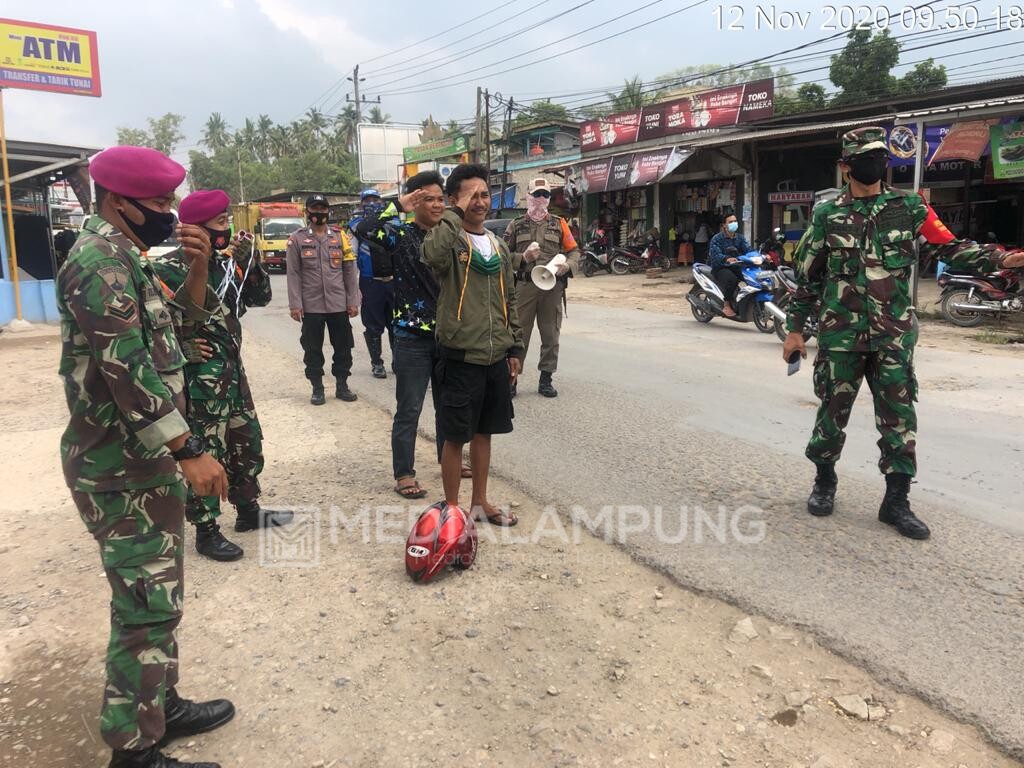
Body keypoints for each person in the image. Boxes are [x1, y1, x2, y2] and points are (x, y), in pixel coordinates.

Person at [56, 145, 234, 768]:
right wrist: (187, 450)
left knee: (158, 598)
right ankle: (133, 750)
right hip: (119, 464)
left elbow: (176, 335)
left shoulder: (126, 255)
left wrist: (197, 271)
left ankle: (162, 706)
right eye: (157, 203)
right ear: (116, 201)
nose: (168, 213)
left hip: (139, 459)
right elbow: (126, 370)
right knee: (143, 607)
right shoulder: (100, 263)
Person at [783, 126, 1024, 539]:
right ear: (846, 166)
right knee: (831, 411)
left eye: (879, 156)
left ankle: (896, 501)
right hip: (841, 333)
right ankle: (824, 482)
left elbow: (950, 247)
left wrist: (1002, 259)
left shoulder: (910, 207)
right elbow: (808, 276)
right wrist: (794, 331)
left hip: (893, 334)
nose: (874, 163)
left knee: (899, 418)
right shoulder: (827, 215)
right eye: (864, 157)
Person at [151, 189, 291, 562]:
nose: (227, 229)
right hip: (197, 381)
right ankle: (206, 529)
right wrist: (182, 347)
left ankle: (248, 511)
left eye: (227, 221)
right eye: (221, 223)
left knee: (246, 441)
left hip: (232, 371)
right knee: (208, 449)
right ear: (197, 229)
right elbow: (156, 328)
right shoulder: (166, 269)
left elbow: (258, 299)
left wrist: (254, 263)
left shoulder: (227, 265)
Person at [354, 171, 470, 498]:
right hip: (411, 338)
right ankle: (404, 472)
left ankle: (448, 460)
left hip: (449, 336)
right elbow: (361, 228)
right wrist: (397, 205)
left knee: (449, 406)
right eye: (426, 198)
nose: (435, 205)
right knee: (409, 408)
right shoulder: (400, 234)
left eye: (439, 199)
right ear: (415, 201)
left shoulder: (453, 236)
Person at [422, 164, 524, 526]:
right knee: (455, 437)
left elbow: (509, 297)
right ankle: (452, 512)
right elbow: (430, 257)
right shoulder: (448, 241)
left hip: (494, 357)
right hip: (461, 355)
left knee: (484, 433)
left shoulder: (496, 245)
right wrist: (453, 213)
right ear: (454, 200)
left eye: (484, 194)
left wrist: (515, 348)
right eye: (471, 195)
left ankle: (479, 502)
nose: (480, 202)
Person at [505, 178, 580, 398]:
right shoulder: (516, 224)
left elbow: (574, 251)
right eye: (536, 194)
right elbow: (501, 256)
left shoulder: (559, 223)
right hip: (525, 285)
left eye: (545, 195)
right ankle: (512, 379)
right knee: (518, 336)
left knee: (551, 334)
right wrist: (522, 257)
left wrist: (568, 265)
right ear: (528, 196)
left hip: (551, 287)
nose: (541, 199)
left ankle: (546, 379)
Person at [286, 193, 361, 405]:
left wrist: (352, 300)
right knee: (312, 349)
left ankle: (342, 385)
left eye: (322, 208)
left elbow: (349, 271)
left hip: (338, 303)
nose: (319, 212)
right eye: (314, 209)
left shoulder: (340, 237)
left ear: (328, 210)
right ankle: (317, 388)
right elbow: (293, 274)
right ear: (307, 212)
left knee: (343, 346)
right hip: (311, 306)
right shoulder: (297, 239)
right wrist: (295, 305)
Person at [350, 188, 396, 379]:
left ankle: (398, 361)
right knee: (373, 325)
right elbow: (351, 257)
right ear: (361, 204)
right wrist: (353, 289)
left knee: (398, 325)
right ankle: (377, 363)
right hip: (370, 282)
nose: (372, 203)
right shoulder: (356, 226)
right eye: (367, 200)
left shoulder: (393, 222)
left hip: (394, 282)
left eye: (375, 200)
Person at [708, 212, 751, 317]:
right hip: (720, 267)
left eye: (735, 221)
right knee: (732, 279)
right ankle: (726, 304)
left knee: (751, 277)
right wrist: (726, 258)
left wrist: (759, 256)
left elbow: (748, 250)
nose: (734, 223)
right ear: (724, 225)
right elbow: (715, 255)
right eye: (730, 222)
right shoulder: (717, 239)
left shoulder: (740, 238)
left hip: (736, 266)